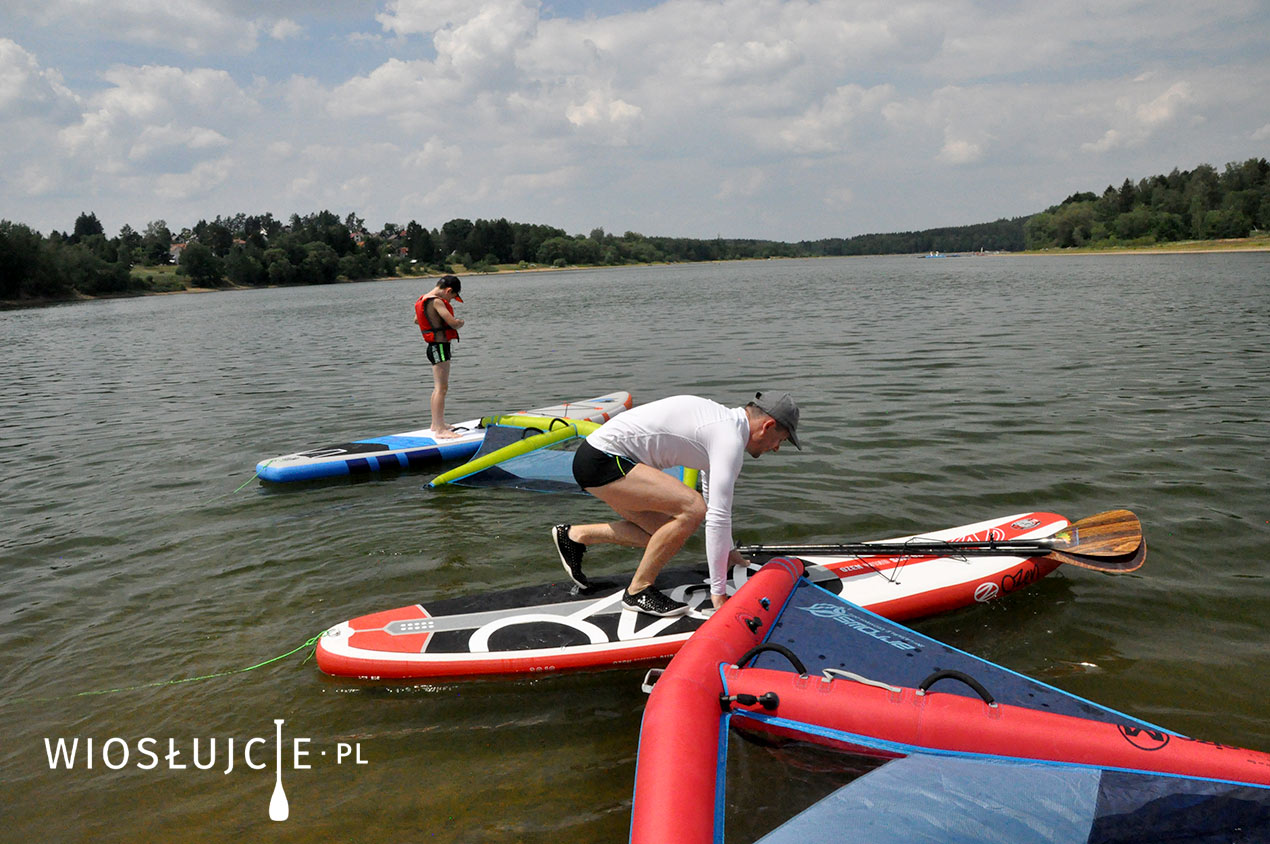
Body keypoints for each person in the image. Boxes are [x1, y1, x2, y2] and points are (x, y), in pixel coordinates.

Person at [551, 392, 801, 617]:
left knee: (666, 537)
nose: (776, 448)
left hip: (595, 459)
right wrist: (719, 594)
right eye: (781, 440)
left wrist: (729, 551)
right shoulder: (729, 437)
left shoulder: (724, 425)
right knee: (693, 507)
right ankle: (638, 591)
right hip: (603, 459)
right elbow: (716, 515)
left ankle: (576, 536)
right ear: (768, 426)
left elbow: (716, 500)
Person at [414, 275, 465, 438]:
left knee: (438, 387)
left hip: (433, 347)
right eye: (452, 297)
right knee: (441, 388)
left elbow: (417, 320)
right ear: (448, 290)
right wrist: (460, 322)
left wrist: (434, 321)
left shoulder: (422, 300)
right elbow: (452, 323)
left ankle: (437, 423)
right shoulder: (437, 301)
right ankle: (440, 430)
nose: (450, 301)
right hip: (439, 347)